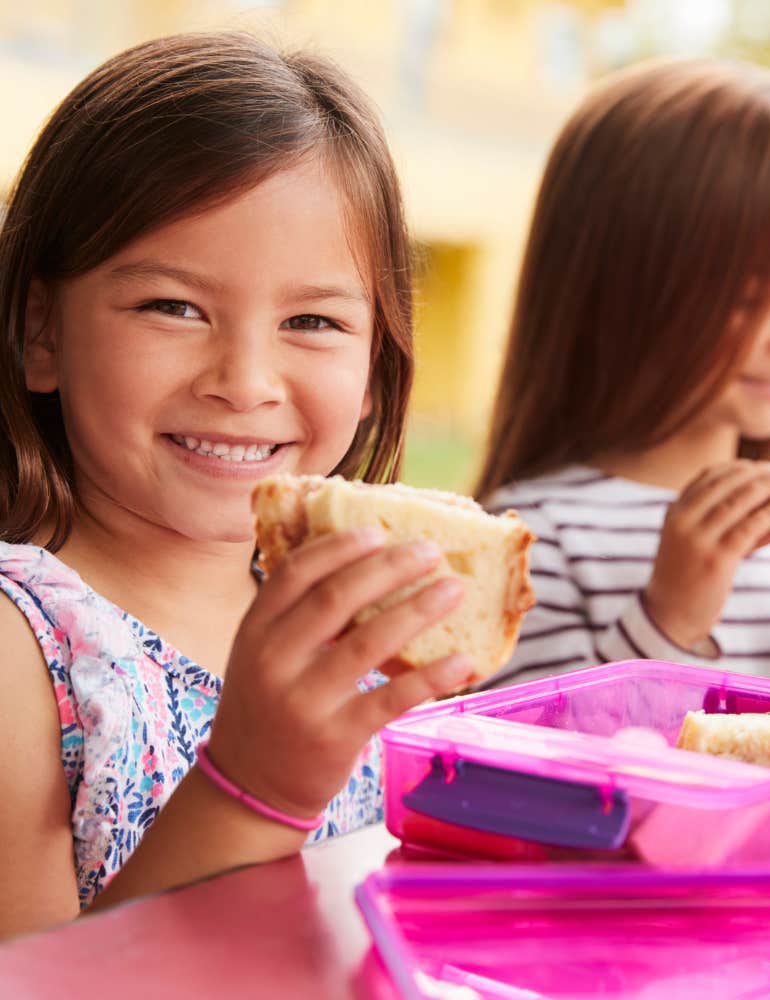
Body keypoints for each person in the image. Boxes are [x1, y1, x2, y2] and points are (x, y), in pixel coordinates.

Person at [0, 32, 475, 939]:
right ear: (41, 333)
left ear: (376, 363)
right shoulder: (24, 651)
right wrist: (252, 788)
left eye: (311, 319)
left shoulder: (365, 623)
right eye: (172, 307)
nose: (245, 379)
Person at [475, 57, 770, 690]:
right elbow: (536, 771)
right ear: (613, 291)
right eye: (749, 295)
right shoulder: (535, 537)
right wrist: (667, 619)